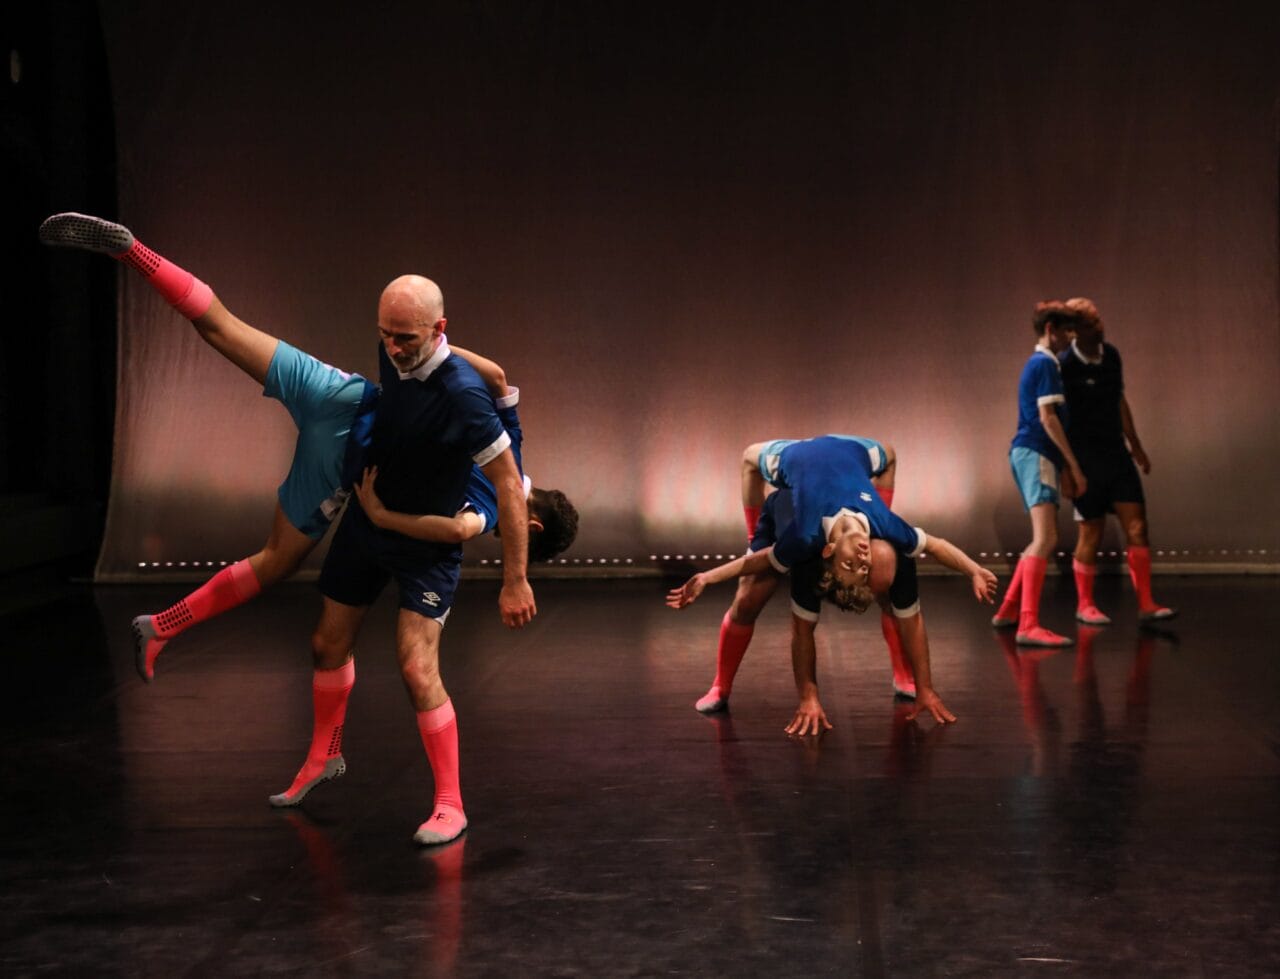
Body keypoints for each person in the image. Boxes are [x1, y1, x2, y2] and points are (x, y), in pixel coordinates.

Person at [38, 213, 576, 683]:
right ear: (529, 528)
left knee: (223, 327)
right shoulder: (492, 501)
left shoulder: (513, 434)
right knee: (276, 561)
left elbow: (497, 374)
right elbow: (458, 527)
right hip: (346, 459)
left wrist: (435, 346)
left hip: (341, 394)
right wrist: (387, 517)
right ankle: (161, 626)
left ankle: (135, 251)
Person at [279, 274, 535, 847]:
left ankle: (451, 804)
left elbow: (508, 486)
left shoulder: (464, 397)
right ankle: (324, 756)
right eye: (385, 335)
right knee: (325, 644)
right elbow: (498, 374)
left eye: (406, 339)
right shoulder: (396, 349)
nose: (393, 349)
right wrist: (374, 512)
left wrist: (515, 579)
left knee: (418, 669)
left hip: (425, 546)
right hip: (367, 522)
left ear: (438, 329)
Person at [667, 434, 998, 732]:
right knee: (889, 455)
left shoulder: (805, 536)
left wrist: (707, 577)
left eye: (851, 564)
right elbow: (937, 546)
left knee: (750, 459)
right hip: (849, 447)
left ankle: (720, 686)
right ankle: (721, 687)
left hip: (793, 457)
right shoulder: (884, 524)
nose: (863, 557)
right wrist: (973, 569)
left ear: (828, 551)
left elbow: (762, 562)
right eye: (862, 566)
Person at [1059, 297, 1174, 623]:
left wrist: (1135, 445)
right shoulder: (1064, 365)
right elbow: (1056, 417)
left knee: (1138, 527)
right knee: (1091, 533)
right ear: (1074, 331)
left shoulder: (1111, 356)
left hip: (1116, 456)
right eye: (1090, 324)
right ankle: (1085, 605)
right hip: (1085, 460)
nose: (1099, 327)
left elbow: (1118, 400)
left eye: (1099, 320)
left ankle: (1147, 603)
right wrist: (1066, 468)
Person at [990, 302, 1089, 646]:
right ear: (1050, 329)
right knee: (1045, 538)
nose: (1071, 338)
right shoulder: (1045, 363)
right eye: (1067, 330)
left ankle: (1009, 611)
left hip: (1030, 453)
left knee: (1039, 538)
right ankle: (1028, 625)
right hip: (1036, 452)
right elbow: (1048, 418)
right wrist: (1072, 466)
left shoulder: (1042, 363)